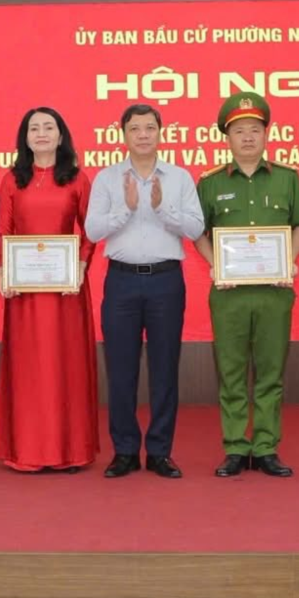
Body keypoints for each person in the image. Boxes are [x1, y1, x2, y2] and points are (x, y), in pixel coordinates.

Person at [195, 93, 299, 478]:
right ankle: (234, 446)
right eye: (239, 131)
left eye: (255, 130)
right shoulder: (210, 183)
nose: (247, 137)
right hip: (228, 295)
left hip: (274, 293)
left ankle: (265, 446)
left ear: (266, 134)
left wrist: (287, 260)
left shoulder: (286, 177)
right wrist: (217, 265)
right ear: (227, 137)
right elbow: (197, 232)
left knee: (270, 372)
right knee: (230, 372)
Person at [85, 102, 201, 479]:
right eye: (135, 129)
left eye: (150, 128)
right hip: (121, 281)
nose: (143, 135)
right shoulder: (107, 179)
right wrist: (127, 209)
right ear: (123, 134)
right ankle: (124, 451)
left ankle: (160, 452)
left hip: (166, 281)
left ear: (160, 132)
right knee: (121, 370)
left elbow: (196, 228)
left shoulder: (179, 177)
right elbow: (92, 231)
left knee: (165, 368)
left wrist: (162, 208)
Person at [0, 106, 99, 472]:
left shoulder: (78, 179)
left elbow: (90, 231)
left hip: (66, 291)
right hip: (25, 293)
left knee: (65, 367)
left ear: (60, 135)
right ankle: (29, 451)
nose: (41, 133)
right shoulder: (13, 180)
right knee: (29, 370)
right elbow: (4, 231)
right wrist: (6, 273)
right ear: (25, 138)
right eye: (34, 128)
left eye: (48, 127)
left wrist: (80, 265)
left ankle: (69, 450)